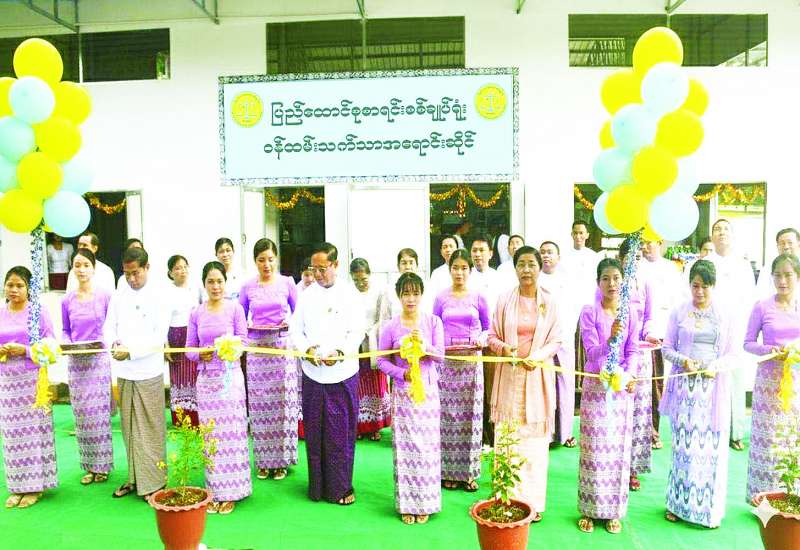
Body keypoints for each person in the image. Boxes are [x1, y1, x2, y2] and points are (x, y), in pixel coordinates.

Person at [487, 246, 561, 522]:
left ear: (540, 268)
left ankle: (532, 503)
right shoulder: (505, 300)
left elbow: (556, 339)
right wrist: (504, 348)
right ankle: (505, 498)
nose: (526, 270)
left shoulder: (550, 301)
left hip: (537, 377)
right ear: (515, 268)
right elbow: (491, 336)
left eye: (532, 264)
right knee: (508, 438)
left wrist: (537, 357)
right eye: (521, 264)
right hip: (509, 377)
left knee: (534, 444)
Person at [289, 242, 365, 505]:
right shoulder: (306, 295)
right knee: (314, 431)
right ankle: (317, 487)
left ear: (336, 265)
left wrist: (340, 352)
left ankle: (341, 488)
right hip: (313, 373)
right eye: (314, 269)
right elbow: (295, 330)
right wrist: (307, 349)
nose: (318, 274)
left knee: (340, 432)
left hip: (342, 373)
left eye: (323, 269)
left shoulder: (350, 294)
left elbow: (358, 331)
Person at [660, 260, 733, 528]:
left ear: (714, 286)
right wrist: (683, 360)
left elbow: (733, 354)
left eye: (705, 286)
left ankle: (706, 510)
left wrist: (716, 366)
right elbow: (666, 348)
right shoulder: (679, 311)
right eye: (695, 285)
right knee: (683, 446)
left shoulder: (724, 314)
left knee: (709, 449)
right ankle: (677, 505)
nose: (699, 291)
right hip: (684, 388)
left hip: (712, 390)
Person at [578, 258, 639, 535]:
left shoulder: (630, 312)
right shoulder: (589, 311)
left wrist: (629, 375)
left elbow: (633, 351)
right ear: (598, 282)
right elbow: (591, 353)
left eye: (616, 278)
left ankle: (614, 511)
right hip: (595, 388)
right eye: (606, 278)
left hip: (620, 389)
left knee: (617, 451)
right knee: (593, 450)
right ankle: (589, 510)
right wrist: (610, 340)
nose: (611, 283)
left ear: (623, 282)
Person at [378, 272, 445, 525]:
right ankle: (407, 504)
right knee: (405, 447)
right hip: (403, 393)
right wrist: (402, 373)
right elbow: (381, 360)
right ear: (399, 296)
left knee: (427, 447)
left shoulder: (433, 322)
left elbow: (441, 356)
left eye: (415, 293)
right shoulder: (390, 326)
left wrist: (424, 346)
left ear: (422, 295)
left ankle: (426, 502)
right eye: (406, 293)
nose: (411, 299)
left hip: (427, 392)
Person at [186, 261, 252, 514]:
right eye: (211, 282)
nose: (215, 286)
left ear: (226, 282)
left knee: (232, 434)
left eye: (219, 281)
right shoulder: (196, 313)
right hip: (206, 381)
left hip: (230, 380)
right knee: (211, 435)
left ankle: (233, 491)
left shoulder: (235, 309)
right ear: (204, 284)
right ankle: (214, 490)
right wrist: (199, 355)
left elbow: (244, 341)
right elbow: (189, 348)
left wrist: (232, 349)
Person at [104, 247, 170, 499]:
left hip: (148, 371)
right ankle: (133, 479)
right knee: (129, 428)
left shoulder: (159, 295)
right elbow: (109, 327)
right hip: (124, 372)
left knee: (150, 429)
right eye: (127, 273)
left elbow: (158, 336)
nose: (131, 278)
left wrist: (131, 351)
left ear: (147, 268)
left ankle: (154, 483)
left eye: (136, 273)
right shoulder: (119, 295)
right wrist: (114, 344)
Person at [239, 238, 299, 481]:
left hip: (281, 349)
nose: (266, 264)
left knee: (282, 405)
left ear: (277, 259)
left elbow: (299, 314)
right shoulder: (247, 287)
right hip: (257, 351)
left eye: (271, 259)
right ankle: (264, 461)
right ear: (255, 261)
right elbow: (240, 318)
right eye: (261, 260)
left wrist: (288, 324)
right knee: (260, 405)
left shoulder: (287, 283)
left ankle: (281, 461)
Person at [0, 266, 58, 509]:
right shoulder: (1, 313)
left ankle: (35, 486)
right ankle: (17, 486)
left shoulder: (38, 312)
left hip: (32, 381)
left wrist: (24, 350)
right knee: (12, 435)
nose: (14, 290)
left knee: (33, 433)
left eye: (19, 285)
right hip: (6, 383)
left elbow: (52, 347)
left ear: (28, 288)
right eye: (10, 284)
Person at [744, 253, 800, 501]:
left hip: (796, 381)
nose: (782, 281)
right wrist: (769, 350)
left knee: (792, 437)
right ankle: (762, 496)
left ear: (797, 277)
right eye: (777, 275)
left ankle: (791, 495)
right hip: (768, 382)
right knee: (767, 440)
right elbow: (748, 342)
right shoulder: (762, 307)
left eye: (788, 275)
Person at [433, 249, 489, 492]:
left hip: (471, 363)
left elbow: (488, 328)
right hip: (446, 364)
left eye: (464, 268)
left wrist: (482, 340)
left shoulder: (479, 297)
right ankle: (447, 472)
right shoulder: (440, 298)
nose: (459, 272)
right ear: (449, 270)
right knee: (447, 416)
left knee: (470, 416)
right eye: (455, 268)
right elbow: (434, 327)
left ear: (470, 270)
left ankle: (469, 473)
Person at [61, 248, 114, 485]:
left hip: (98, 361)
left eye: (86, 265)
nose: (81, 270)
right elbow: (65, 329)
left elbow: (112, 325)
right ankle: (89, 465)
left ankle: (102, 466)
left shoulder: (105, 295)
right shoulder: (67, 300)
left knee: (98, 414)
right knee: (82, 415)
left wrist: (105, 341)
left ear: (94, 268)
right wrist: (66, 344)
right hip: (76, 363)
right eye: (77, 265)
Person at [704, 219, 756, 451]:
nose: (721, 232)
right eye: (717, 229)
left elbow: (750, 299)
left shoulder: (743, 265)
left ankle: (735, 433)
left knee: (735, 381)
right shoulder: (705, 263)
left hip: (737, 330)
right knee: (710, 377)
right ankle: (709, 429)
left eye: (725, 229)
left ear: (732, 235)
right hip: (710, 330)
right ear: (712, 236)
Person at [618, 237, 657, 490]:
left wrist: (650, 334)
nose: (634, 262)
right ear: (621, 258)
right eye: (629, 257)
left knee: (639, 412)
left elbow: (650, 317)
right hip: (616, 354)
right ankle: (615, 464)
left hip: (640, 355)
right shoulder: (611, 282)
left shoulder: (645, 284)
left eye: (638, 258)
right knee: (616, 410)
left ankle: (633, 468)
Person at [638, 239, 684, 449]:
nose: (647, 247)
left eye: (651, 243)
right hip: (640, 335)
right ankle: (639, 433)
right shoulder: (636, 266)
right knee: (640, 386)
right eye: (644, 243)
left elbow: (678, 302)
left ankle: (654, 432)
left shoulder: (671, 269)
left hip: (663, 333)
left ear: (659, 243)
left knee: (657, 384)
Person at [538, 240, 580, 448]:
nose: (546, 256)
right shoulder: (535, 281)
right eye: (543, 252)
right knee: (544, 385)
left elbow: (574, 309)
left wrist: (565, 333)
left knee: (565, 383)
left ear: (558, 257)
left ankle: (565, 433)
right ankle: (546, 434)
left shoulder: (568, 280)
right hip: (542, 341)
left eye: (550, 252)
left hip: (564, 338)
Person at [350, 258, 392, 441]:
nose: (360, 283)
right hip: (355, 345)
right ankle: (359, 425)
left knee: (376, 383)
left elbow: (384, 318)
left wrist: (372, 333)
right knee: (357, 384)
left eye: (364, 279)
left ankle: (375, 426)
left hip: (374, 342)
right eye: (356, 280)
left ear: (370, 275)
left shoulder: (380, 291)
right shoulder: (348, 293)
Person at [165, 255, 202, 426]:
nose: (182, 271)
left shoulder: (196, 288)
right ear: (170, 272)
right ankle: (180, 417)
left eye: (184, 267)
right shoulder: (167, 292)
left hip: (193, 334)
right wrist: (165, 343)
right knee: (178, 375)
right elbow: (163, 319)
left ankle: (195, 416)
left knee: (193, 374)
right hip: (175, 336)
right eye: (177, 268)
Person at [562, 220, 602, 309]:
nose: (578, 236)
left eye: (581, 233)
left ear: (587, 235)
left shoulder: (594, 257)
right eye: (575, 233)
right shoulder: (563, 256)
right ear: (571, 234)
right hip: (568, 302)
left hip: (588, 301)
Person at [756, 228, 800, 301]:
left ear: (798, 244)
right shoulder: (768, 268)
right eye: (782, 243)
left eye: (790, 242)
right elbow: (760, 294)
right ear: (777, 246)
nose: (786, 247)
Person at [387, 248, 431, 316]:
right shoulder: (389, 289)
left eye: (411, 263)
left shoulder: (427, 287)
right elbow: (385, 318)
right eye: (404, 263)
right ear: (398, 266)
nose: (407, 267)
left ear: (417, 265)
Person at [468, 235, 503, 313]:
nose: (477, 254)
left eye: (481, 250)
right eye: (474, 250)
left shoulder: (498, 278)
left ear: (490, 254)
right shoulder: (465, 277)